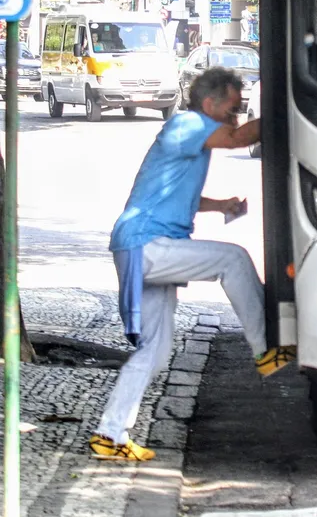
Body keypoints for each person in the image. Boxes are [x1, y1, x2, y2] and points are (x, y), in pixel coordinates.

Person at [88, 67, 294, 462]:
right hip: (147, 243)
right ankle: (266, 349)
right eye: (232, 108)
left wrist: (220, 206)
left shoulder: (191, 137)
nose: (235, 117)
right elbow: (238, 138)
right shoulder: (185, 124)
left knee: (155, 351)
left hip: (147, 246)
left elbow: (176, 195)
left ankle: (109, 436)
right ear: (209, 103)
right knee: (232, 259)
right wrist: (285, 109)